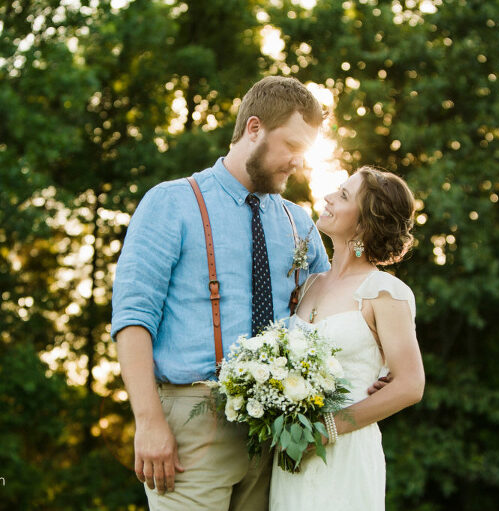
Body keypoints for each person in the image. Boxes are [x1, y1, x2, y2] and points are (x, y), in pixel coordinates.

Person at [112, 76, 331, 511]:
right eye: (291, 146)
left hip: (278, 434)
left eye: (304, 152)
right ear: (254, 129)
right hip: (191, 422)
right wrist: (149, 421)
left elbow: (329, 312)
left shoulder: (299, 223)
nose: (297, 162)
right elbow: (133, 317)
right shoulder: (170, 203)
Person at [269, 167, 426, 510]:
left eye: (342, 196)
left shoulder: (384, 292)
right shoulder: (310, 284)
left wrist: (325, 429)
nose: (327, 198)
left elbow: (410, 385)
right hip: (291, 456)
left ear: (365, 223)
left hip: (344, 453)